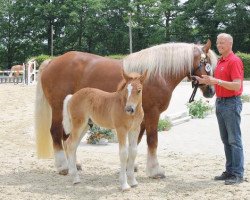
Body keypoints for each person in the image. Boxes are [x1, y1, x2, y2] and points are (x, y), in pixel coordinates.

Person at [195, 33, 244, 185]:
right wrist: (206, 80)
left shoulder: (234, 61)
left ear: (230, 44)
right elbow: (218, 82)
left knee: (234, 140)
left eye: (222, 42)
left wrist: (216, 81)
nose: (219, 45)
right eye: (218, 42)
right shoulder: (221, 62)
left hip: (231, 103)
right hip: (221, 103)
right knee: (226, 140)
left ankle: (237, 174)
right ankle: (229, 171)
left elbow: (237, 85)